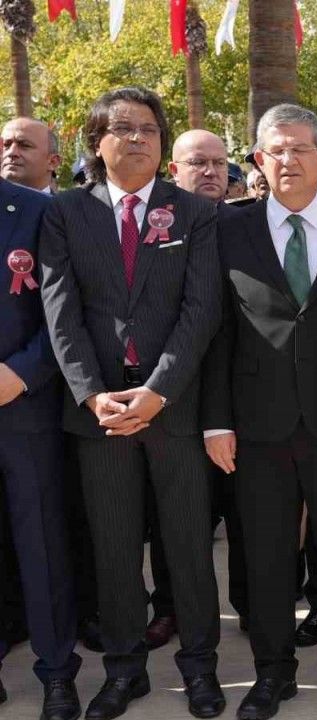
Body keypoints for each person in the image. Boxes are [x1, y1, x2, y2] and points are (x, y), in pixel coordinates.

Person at [39, 86, 225, 719]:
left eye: (149, 128)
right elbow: (60, 312)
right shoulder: (66, 213)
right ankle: (124, 671)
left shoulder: (193, 213)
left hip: (174, 409)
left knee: (188, 549)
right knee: (115, 551)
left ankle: (200, 668)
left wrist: (158, 391)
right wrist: (93, 395)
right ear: (97, 142)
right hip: (100, 417)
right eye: (124, 128)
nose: (139, 138)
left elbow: (201, 310)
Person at [199, 103, 317, 720]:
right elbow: (216, 331)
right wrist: (217, 420)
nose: (290, 160)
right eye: (277, 149)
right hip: (257, 427)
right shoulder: (229, 229)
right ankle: (273, 673)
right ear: (258, 160)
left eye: (302, 148)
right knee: (266, 558)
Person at [157, 128, 250, 648]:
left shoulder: (246, 224)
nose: (212, 172)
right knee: (176, 518)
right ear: (175, 170)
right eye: (198, 163)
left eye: (220, 163)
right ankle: (171, 607)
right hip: (174, 396)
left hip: (243, 396)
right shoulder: (156, 225)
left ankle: (252, 604)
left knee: (245, 512)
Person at [0, 175, 82, 720]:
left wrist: (22, 374)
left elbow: (64, 310)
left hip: (24, 407)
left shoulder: (35, 211)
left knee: (42, 545)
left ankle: (56, 672)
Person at [2, 117, 62, 194]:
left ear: (52, 162)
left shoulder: (63, 202)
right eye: (6, 145)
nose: (12, 152)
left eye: (25, 145)